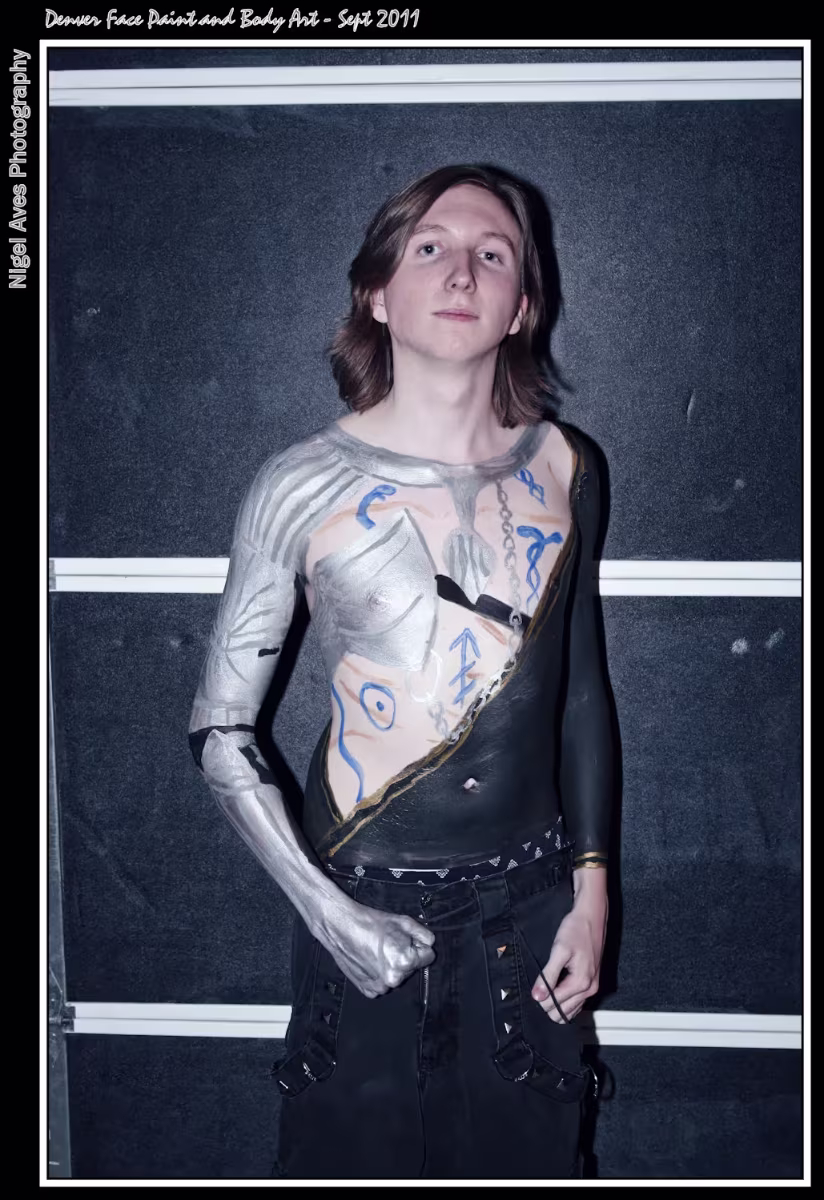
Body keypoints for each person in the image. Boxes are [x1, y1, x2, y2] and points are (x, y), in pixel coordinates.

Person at [188, 163, 614, 1180]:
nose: (461, 271)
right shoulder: (299, 483)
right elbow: (220, 729)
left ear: (522, 305)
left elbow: (581, 692)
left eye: (492, 254)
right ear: (377, 293)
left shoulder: (567, 467)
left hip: (531, 910)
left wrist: (592, 897)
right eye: (430, 248)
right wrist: (328, 914)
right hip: (363, 899)